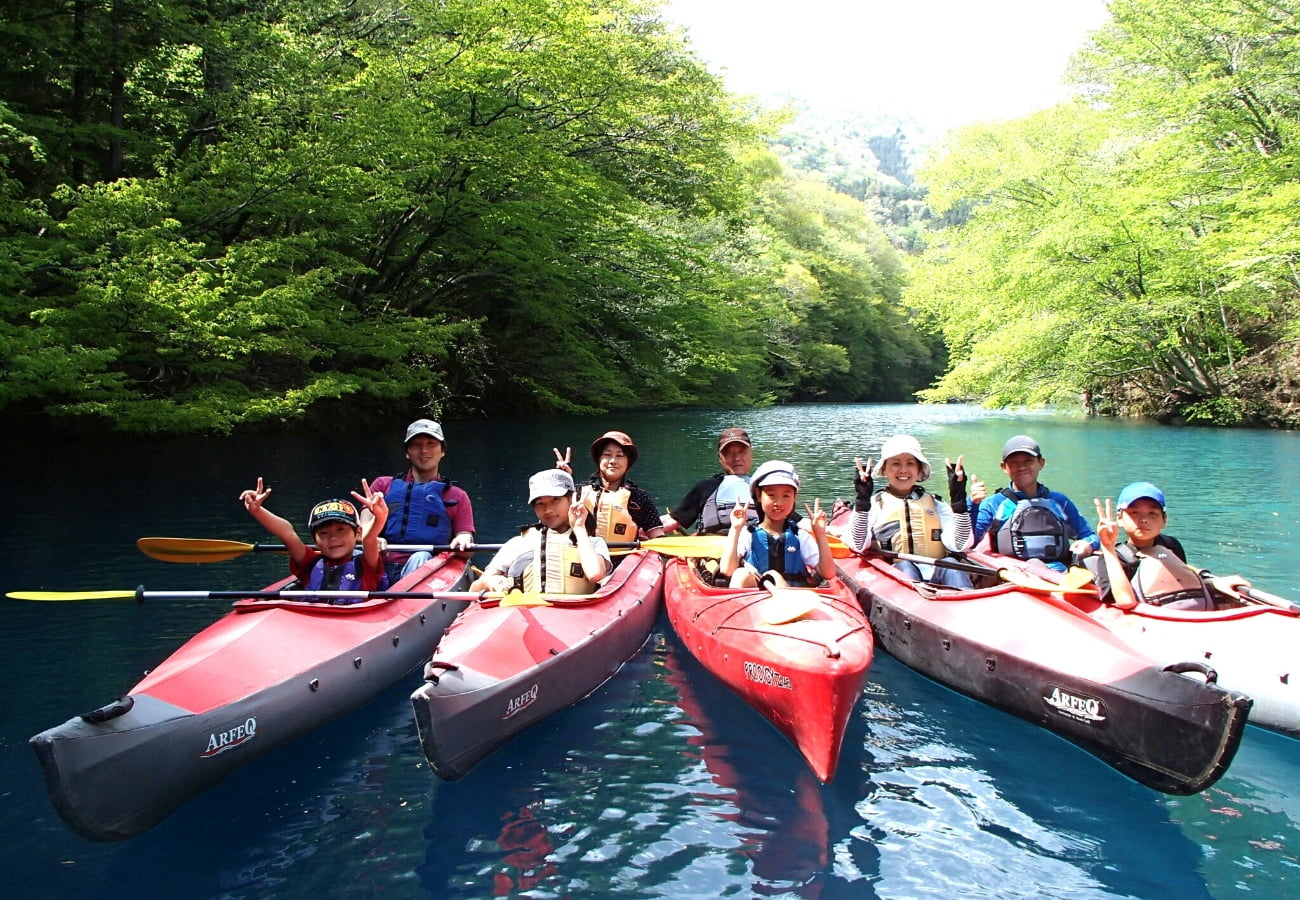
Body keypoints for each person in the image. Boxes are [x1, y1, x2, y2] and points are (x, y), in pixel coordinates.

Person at [1092, 482, 1250, 610]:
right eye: (1134, 513)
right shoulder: (1113, 558)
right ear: (1119, 518)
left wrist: (1214, 582)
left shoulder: (1171, 546)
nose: (1143, 520)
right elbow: (1125, 602)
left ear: (1164, 520)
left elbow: (1182, 573)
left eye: (1152, 513)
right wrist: (1107, 546)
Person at [845, 435, 974, 588]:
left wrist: (958, 501)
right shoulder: (873, 504)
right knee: (906, 565)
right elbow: (857, 545)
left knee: (951, 564)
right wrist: (862, 502)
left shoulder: (937, 504)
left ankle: (964, 600)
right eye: (895, 464)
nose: (903, 470)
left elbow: (959, 545)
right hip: (897, 575)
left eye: (910, 463)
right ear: (884, 469)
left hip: (936, 573)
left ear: (919, 469)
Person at [239, 476, 389, 601]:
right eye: (324, 533)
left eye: (341, 530)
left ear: (357, 534)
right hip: (311, 624)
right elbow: (287, 533)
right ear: (315, 539)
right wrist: (257, 511)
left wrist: (380, 515)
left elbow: (369, 539)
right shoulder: (308, 562)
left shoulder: (366, 563)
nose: (333, 538)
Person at [366, 418, 476, 583]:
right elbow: (363, 527)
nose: (424, 450)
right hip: (380, 562)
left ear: (442, 451)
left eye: (431, 444)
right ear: (407, 452)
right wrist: (372, 536)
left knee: (421, 556)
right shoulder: (382, 485)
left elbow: (466, 540)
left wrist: (464, 540)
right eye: (417, 445)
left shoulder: (457, 496)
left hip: (427, 568)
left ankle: (400, 600)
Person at [469, 469, 612, 595]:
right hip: (525, 617)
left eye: (556, 500)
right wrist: (490, 582)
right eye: (540, 503)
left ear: (571, 500)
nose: (548, 510)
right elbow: (475, 589)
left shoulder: (594, 543)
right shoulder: (518, 544)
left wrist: (579, 527)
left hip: (573, 617)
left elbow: (595, 575)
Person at [973, 434, 1098, 572]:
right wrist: (971, 504)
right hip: (1011, 574)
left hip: (1057, 572)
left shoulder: (1059, 502)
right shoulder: (993, 504)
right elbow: (970, 542)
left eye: (1029, 461)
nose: (1022, 467)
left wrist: (1088, 545)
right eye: (1014, 463)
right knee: (1034, 564)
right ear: (1004, 467)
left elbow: (1089, 536)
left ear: (1041, 463)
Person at [719, 460, 834, 589]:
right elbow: (727, 570)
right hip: (754, 601)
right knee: (741, 574)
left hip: (792, 598)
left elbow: (828, 573)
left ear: (794, 497)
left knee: (774, 576)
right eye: (771, 495)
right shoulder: (748, 534)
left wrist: (820, 534)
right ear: (758, 495)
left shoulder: (799, 535)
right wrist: (735, 529)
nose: (779, 502)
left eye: (786, 495)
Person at [552, 430, 665, 545]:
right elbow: (552, 516)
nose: (612, 461)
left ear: (628, 462)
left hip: (623, 559)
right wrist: (561, 481)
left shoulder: (639, 498)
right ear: (599, 459)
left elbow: (657, 536)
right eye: (607, 455)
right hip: (584, 557)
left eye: (620, 456)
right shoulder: (578, 492)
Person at [660, 426, 759, 535]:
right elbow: (672, 520)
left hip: (755, 547)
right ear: (720, 457)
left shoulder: (764, 487)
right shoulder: (706, 487)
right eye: (729, 453)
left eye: (742, 451)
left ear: (751, 453)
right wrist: (644, 529)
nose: (737, 458)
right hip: (713, 548)